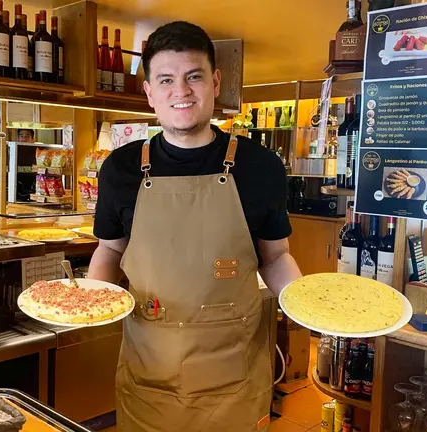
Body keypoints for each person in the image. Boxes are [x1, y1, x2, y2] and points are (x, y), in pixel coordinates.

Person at [88, 21, 302, 432]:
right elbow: (110, 250)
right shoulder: (120, 169)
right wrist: (91, 305)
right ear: (149, 91)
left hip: (234, 378)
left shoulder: (261, 167)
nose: (181, 92)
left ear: (215, 81)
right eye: (166, 79)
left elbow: (276, 256)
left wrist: (306, 307)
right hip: (150, 375)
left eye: (194, 77)